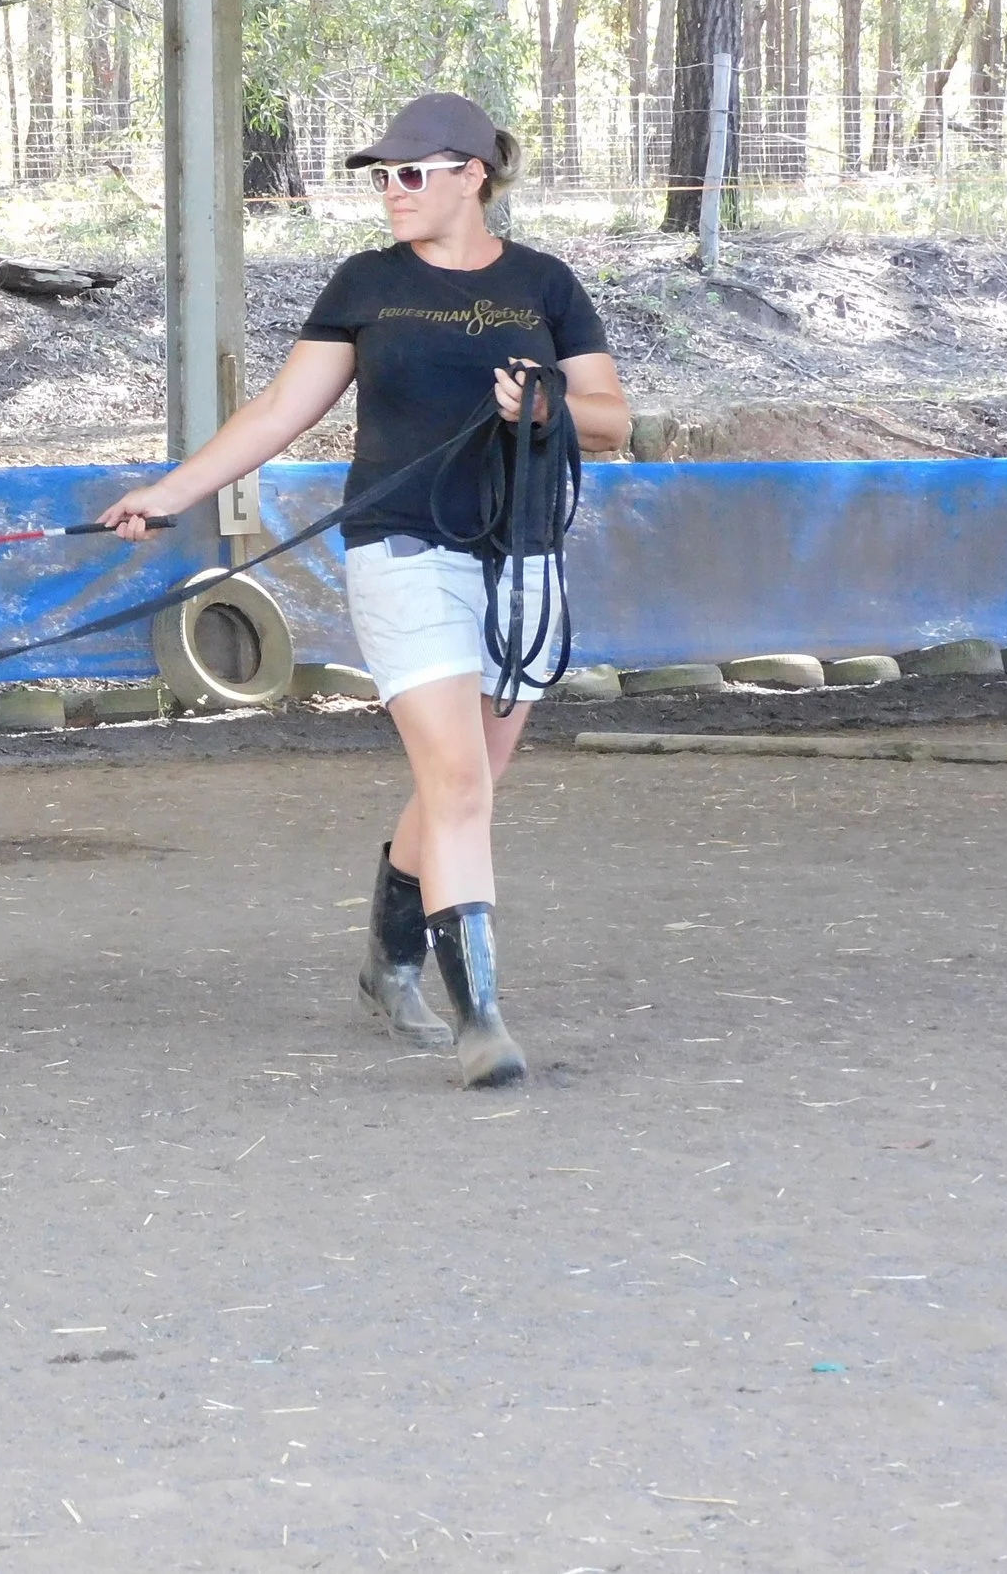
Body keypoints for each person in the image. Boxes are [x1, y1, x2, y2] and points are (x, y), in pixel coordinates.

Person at [99, 92, 631, 1087]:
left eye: (411, 174)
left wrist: (548, 400)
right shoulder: (365, 284)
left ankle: (388, 964)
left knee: (463, 787)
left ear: (472, 174)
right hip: (401, 550)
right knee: (459, 784)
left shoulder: (545, 285)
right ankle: (483, 1025)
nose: (391, 191)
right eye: (381, 176)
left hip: (521, 553)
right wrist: (170, 493)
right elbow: (277, 412)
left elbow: (610, 421)